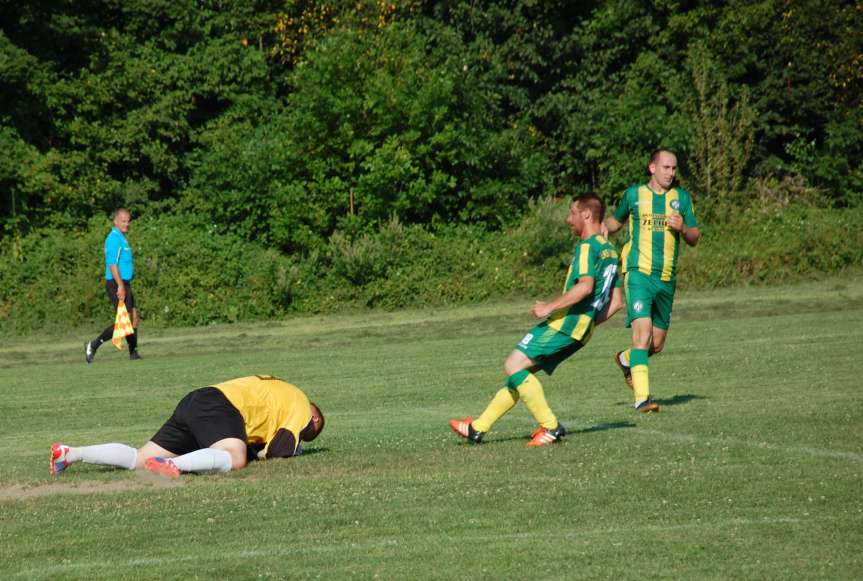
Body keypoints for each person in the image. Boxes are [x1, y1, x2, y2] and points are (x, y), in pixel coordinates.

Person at [449, 193, 621, 446]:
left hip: (566, 324)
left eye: (572, 213)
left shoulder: (588, 247)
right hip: (582, 330)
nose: (567, 219)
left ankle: (551, 427)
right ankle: (478, 427)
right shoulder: (611, 251)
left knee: (513, 365)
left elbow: (585, 287)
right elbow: (616, 303)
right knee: (520, 374)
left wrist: (548, 307)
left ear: (586, 215)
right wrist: (588, 321)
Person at [50, 375, 325, 478]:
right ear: (314, 418)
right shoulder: (302, 407)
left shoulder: (281, 391)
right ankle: (174, 465)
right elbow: (280, 450)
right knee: (236, 458)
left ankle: (70, 453)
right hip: (221, 406)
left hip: (199, 399)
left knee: (139, 458)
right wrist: (295, 450)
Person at [604, 149, 701, 413]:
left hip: (666, 278)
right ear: (652, 168)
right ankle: (642, 399)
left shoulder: (681, 199)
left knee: (655, 344)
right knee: (642, 333)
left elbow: (694, 237)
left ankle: (626, 360)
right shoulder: (634, 195)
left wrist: (682, 228)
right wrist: (601, 228)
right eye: (666, 167)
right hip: (638, 273)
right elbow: (616, 220)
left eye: (674, 168)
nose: (671, 173)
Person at [84, 208, 141, 362]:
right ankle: (93, 345)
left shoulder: (122, 238)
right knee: (124, 322)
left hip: (125, 283)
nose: (127, 224)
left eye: (128, 221)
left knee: (134, 318)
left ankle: (133, 353)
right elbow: (112, 264)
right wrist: (120, 286)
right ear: (115, 221)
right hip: (116, 283)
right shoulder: (113, 238)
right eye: (123, 221)